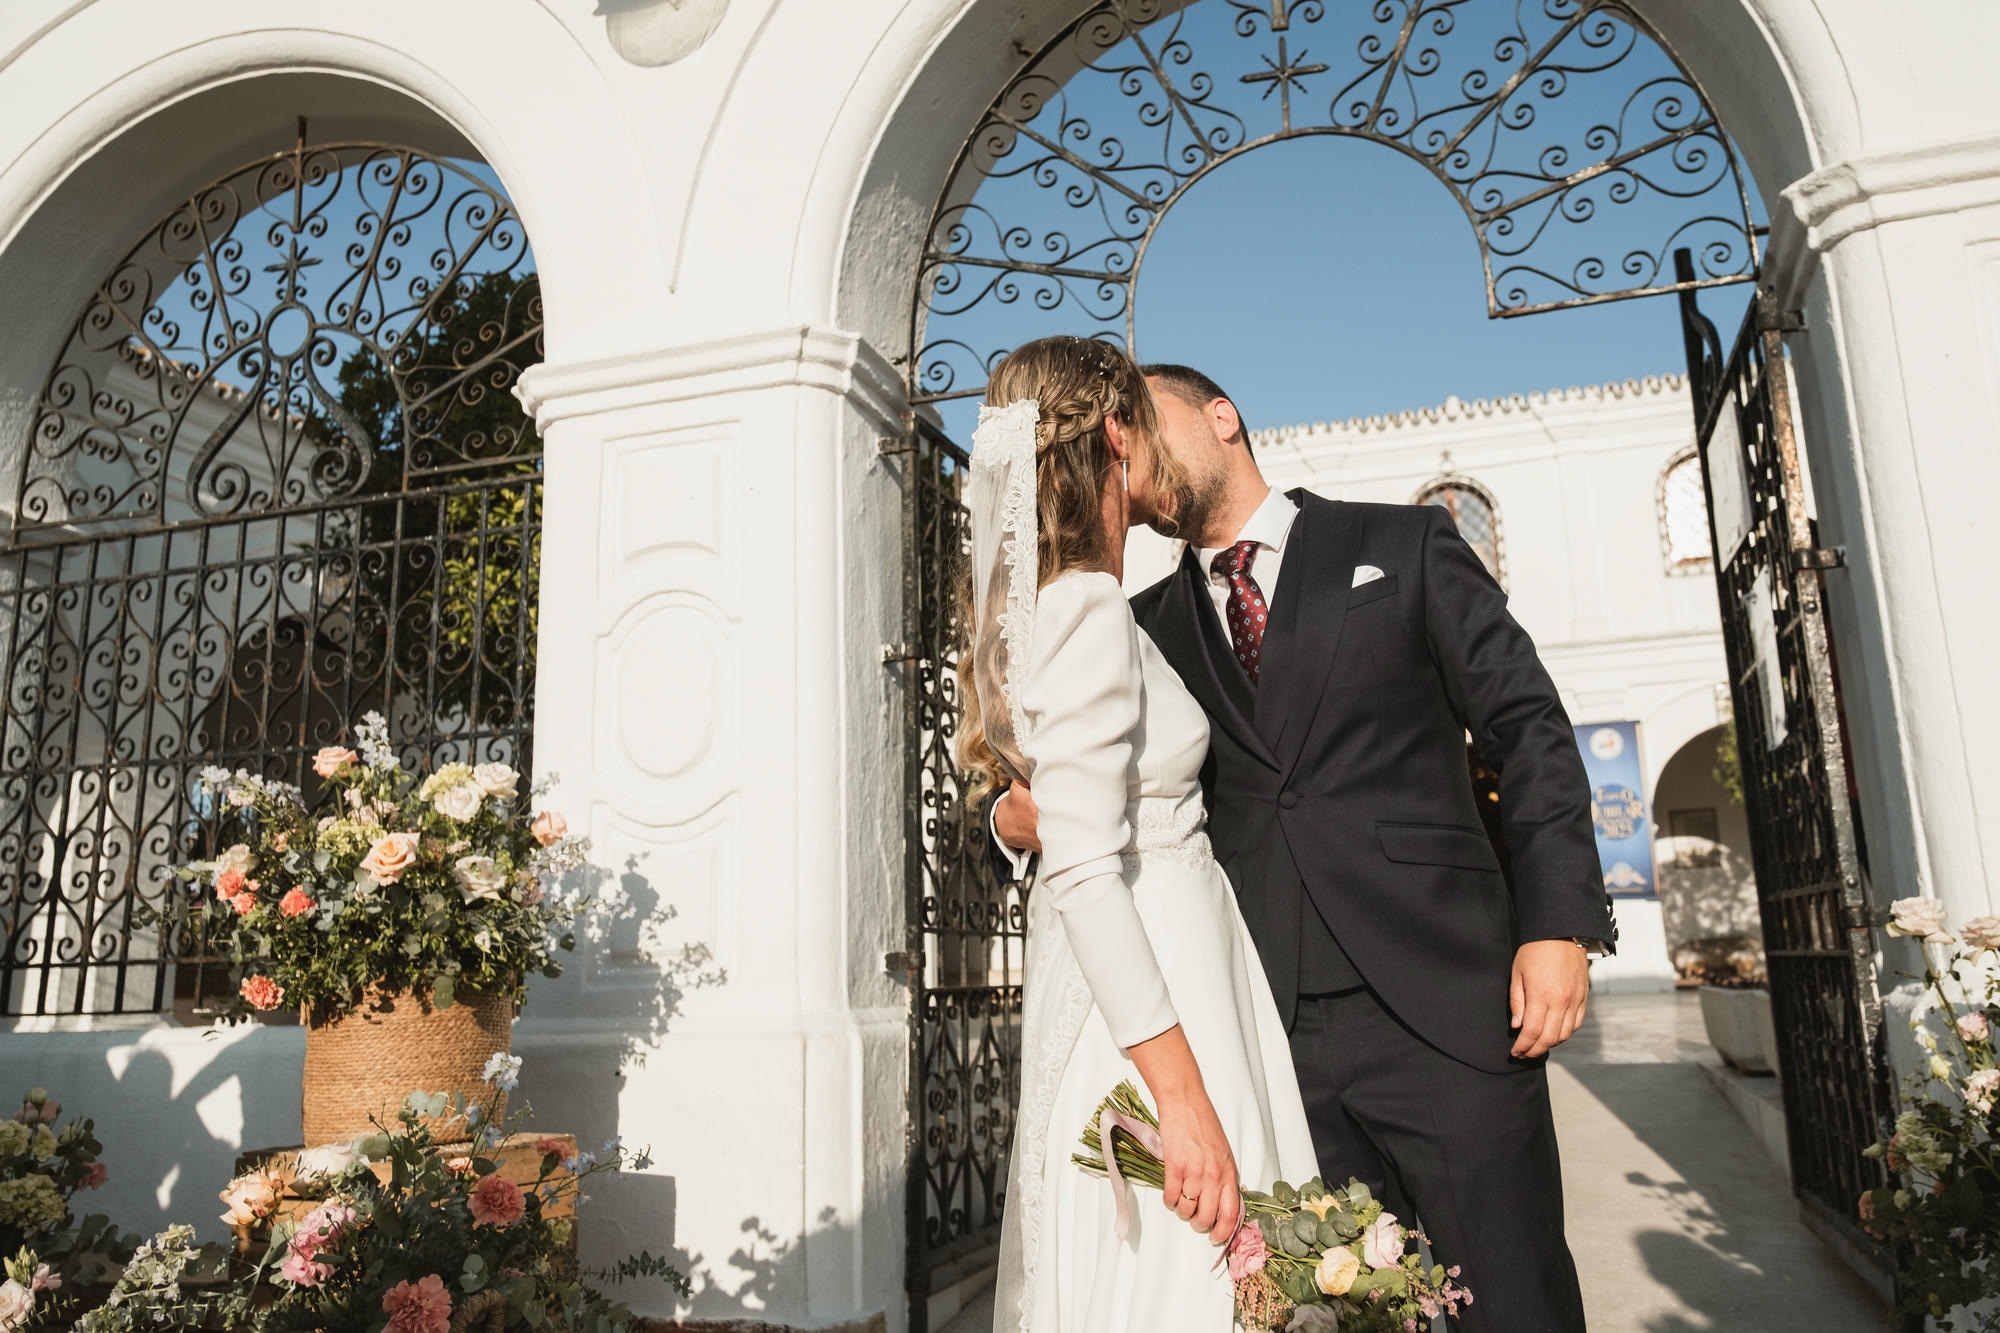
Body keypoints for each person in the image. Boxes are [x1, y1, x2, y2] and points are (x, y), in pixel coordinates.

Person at [990, 364, 1617, 1332]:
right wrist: (1005, 821)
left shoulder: (1402, 543)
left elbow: (1524, 725)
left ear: (1221, 416)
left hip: (1445, 1006)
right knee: (1330, 1311)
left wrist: (1557, 923)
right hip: (1260, 1033)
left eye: (1143, 421)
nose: (1134, 453)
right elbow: (1093, 808)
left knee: (1511, 1298)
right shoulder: (1140, 624)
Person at [960, 338, 1317, 1332]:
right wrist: (1181, 1095)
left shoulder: (1044, 609)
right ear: (1116, 433)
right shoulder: (1083, 608)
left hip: (1171, 955)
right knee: (1185, 1267)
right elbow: (1081, 869)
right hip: (1159, 973)